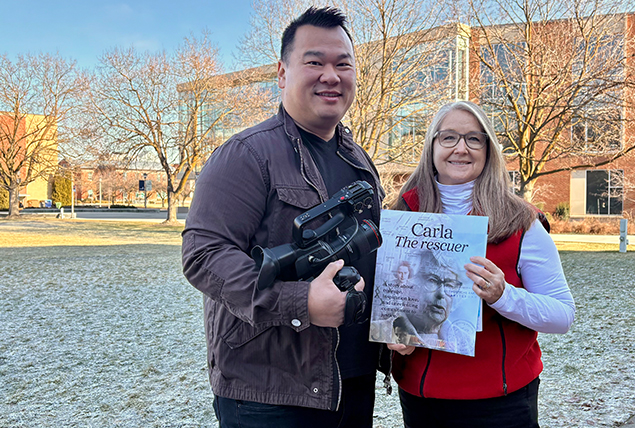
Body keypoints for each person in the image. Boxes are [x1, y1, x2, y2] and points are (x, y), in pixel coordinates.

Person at [182, 7, 386, 428]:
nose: (331, 75)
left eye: (343, 64)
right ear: (282, 73)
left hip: (351, 382)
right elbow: (203, 256)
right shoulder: (246, 154)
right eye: (315, 62)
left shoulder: (359, 160)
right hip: (269, 395)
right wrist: (301, 303)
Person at [388, 101, 575, 428]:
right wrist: (396, 335)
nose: (461, 148)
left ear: (488, 150)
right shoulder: (402, 216)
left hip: (501, 404)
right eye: (448, 138)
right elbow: (393, 306)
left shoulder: (521, 221)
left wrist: (504, 296)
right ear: (431, 146)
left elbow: (562, 315)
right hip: (423, 399)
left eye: (474, 139)